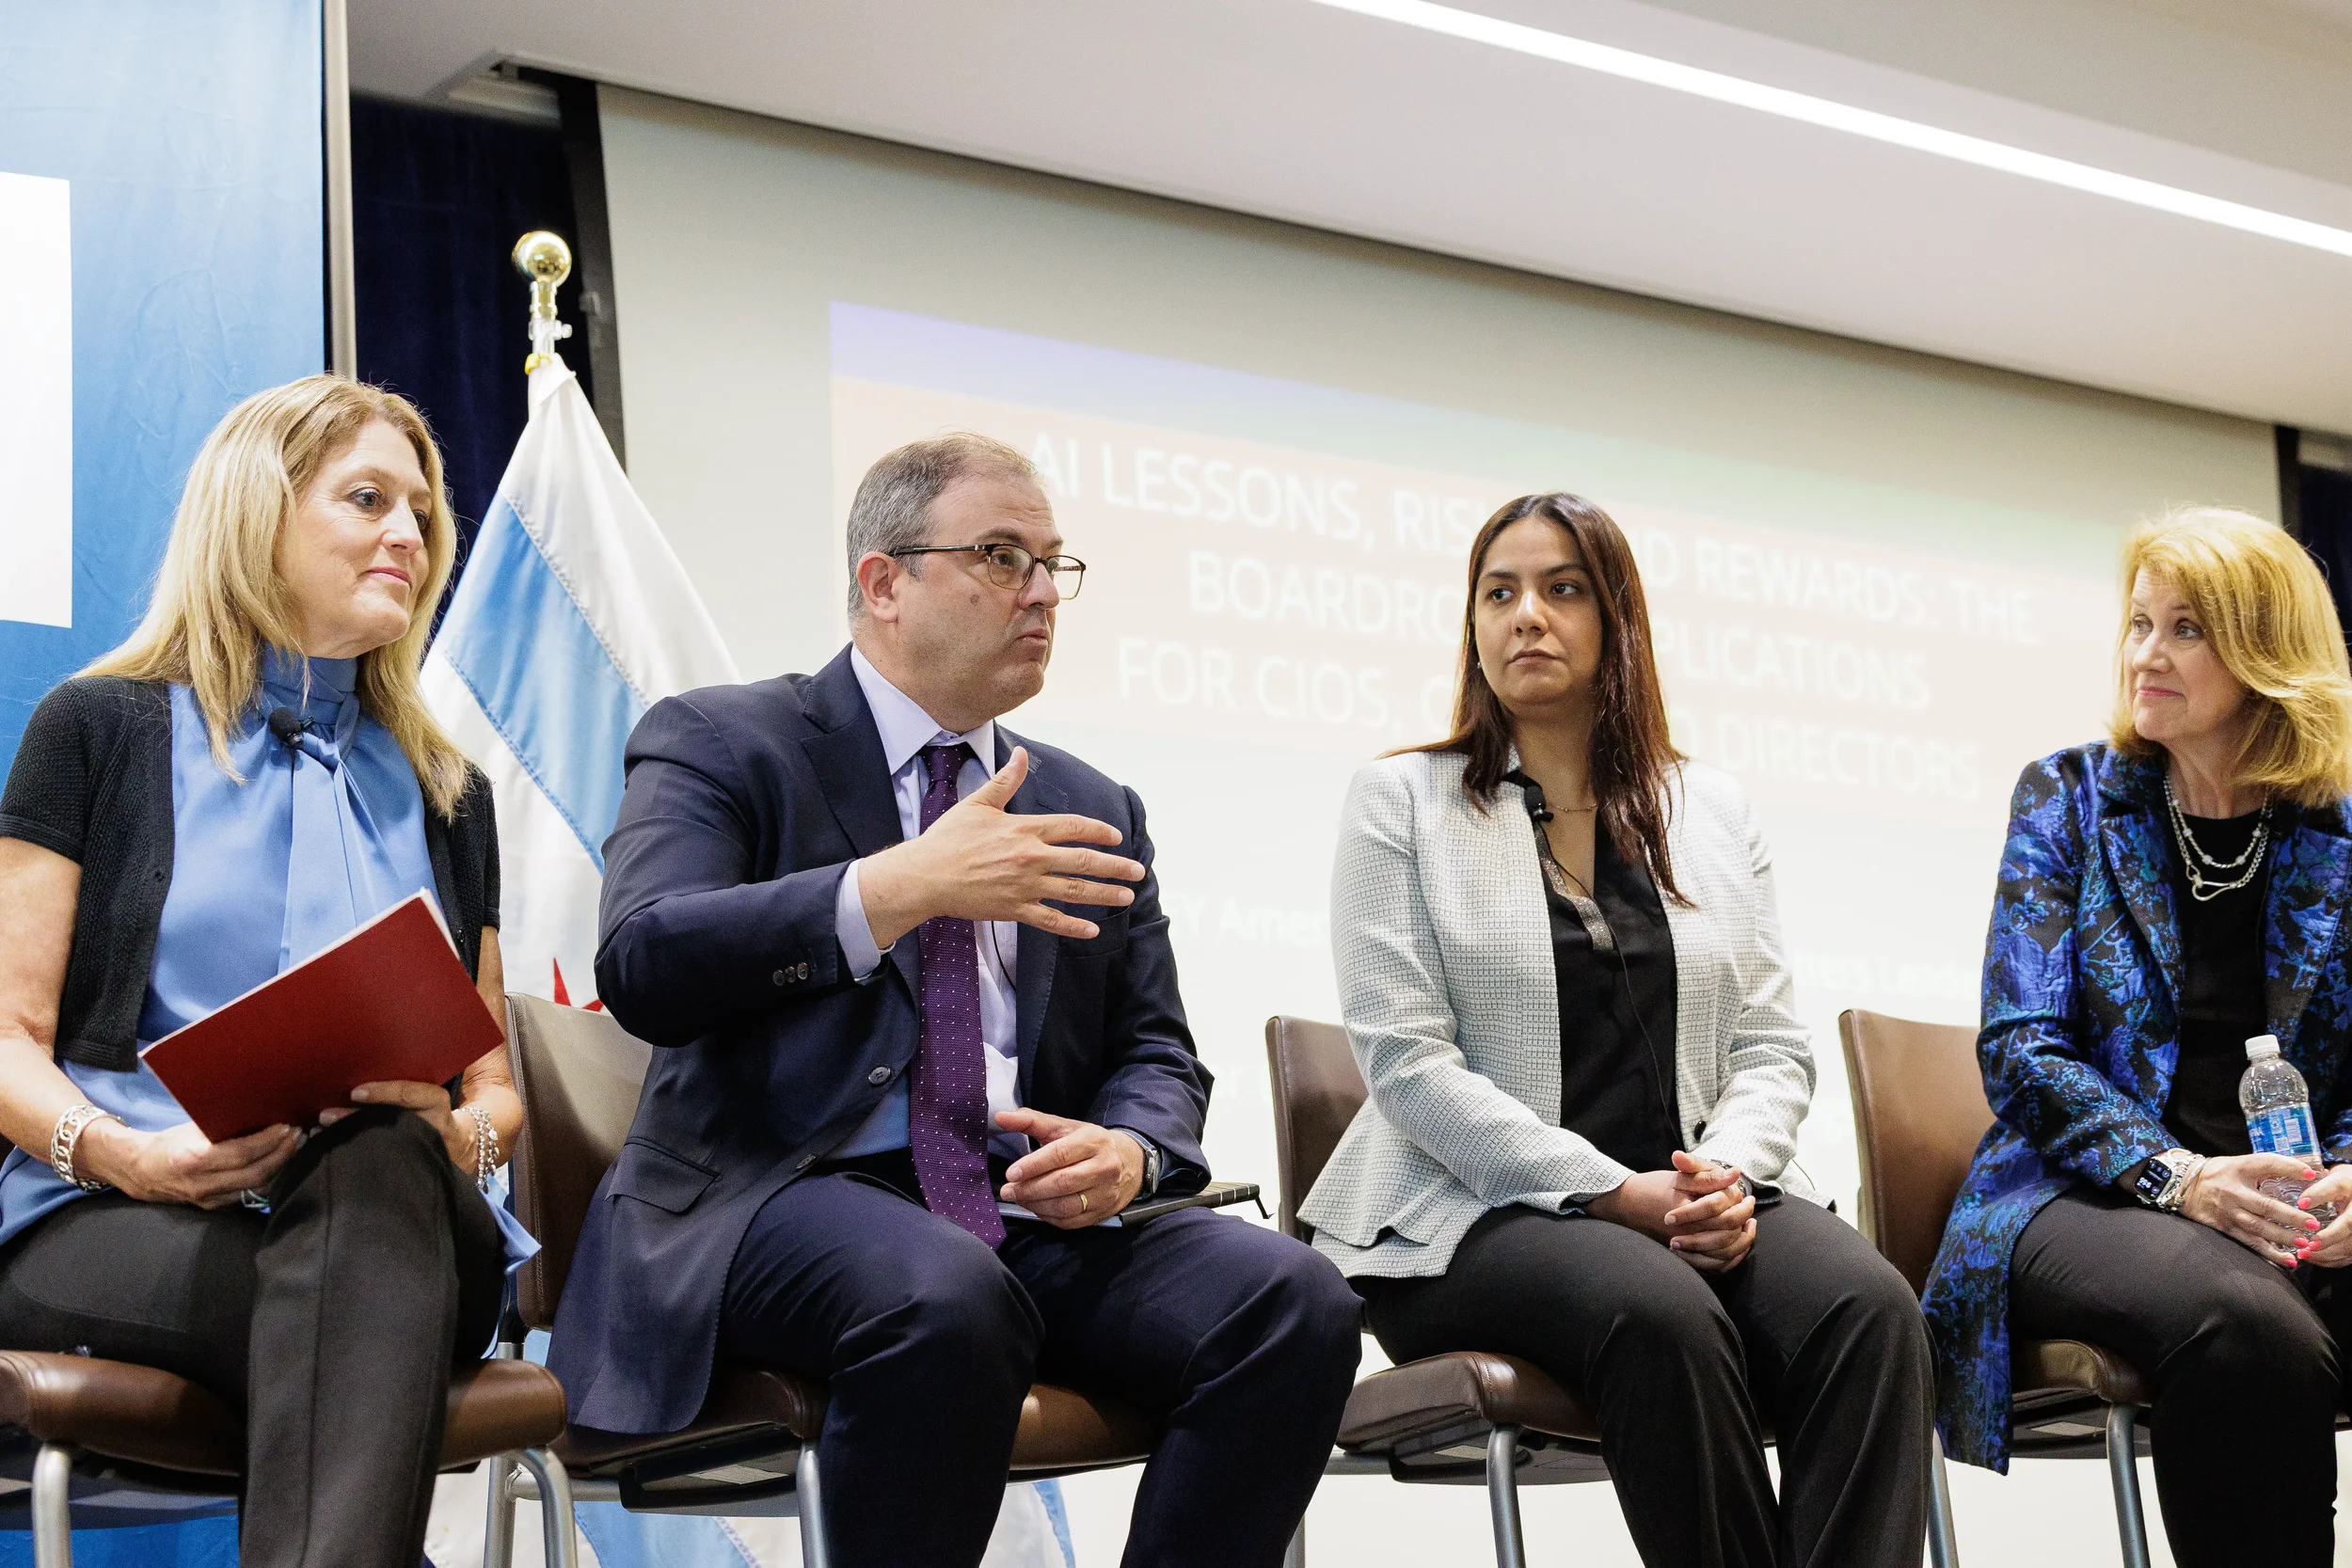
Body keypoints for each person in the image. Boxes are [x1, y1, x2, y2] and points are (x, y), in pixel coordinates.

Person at [548, 433, 1361, 1568]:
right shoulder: (725, 738)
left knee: (1293, 1301)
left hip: (1015, 1211)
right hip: (781, 1192)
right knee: (943, 1294)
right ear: (884, 581)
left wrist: (1129, 1147)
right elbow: (644, 960)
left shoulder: (1088, 801)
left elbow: (1155, 1046)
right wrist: (894, 888)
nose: (1039, 591)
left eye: (1051, 564)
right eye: (998, 556)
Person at [1299, 491, 1934, 1567]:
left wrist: (1720, 1176)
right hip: (1469, 1216)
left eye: (1560, 590)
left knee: (1871, 1310)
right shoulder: (1397, 800)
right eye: (1497, 593)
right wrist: (1613, 1192)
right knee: (1659, 1308)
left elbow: (1771, 1044)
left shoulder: (1712, 809)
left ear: (1618, 622)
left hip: (1689, 1190)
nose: (1524, 617)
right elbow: (1409, 1066)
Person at [0, 377, 529, 1567]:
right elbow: (6, 1040)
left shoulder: (453, 793)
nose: (411, 532)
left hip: (401, 1208)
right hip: (114, 1205)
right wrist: (128, 1151)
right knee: (358, 1334)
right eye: (367, 498)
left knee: (382, 1163)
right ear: (256, 514)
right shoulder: (99, 729)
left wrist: (459, 1138)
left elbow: (494, 1092)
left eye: (422, 508)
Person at [1924, 506, 2352, 1564]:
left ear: (2266, 654)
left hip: (2297, 1198)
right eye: (2136, 623)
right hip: (2084, 1192)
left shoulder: (2338, 828)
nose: (2144, 655)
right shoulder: (2068, 798)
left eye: (2185, 629)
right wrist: (2182, 1178)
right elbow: (2020, 1047)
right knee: (2245, 1323)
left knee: (2267, 1306)